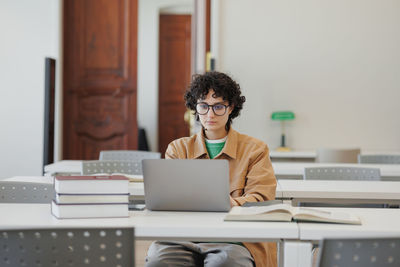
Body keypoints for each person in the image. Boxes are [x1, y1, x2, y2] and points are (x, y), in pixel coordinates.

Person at [145, 71, 277, 267]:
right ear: (196, 108)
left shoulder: (255, 149)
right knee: (158, 259)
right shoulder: (178, 148)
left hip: (235, 238)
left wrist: (231, 203)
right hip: (183, 235)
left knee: (225, 262)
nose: (210, 114)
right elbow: (169, 198)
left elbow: (262, 198)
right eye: (204, 106)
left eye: (218, 106)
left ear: (231, 107)